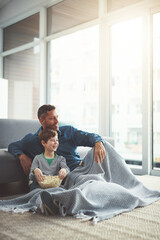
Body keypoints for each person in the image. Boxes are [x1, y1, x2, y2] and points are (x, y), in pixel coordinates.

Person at [8, 104, 106, 175]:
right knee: (89, 182)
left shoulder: (68, 131)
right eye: (52, 118)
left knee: (107, 147)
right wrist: (22, 156)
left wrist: (98, 143)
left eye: (57, 117)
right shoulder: (32, 140)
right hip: (70, 176)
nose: (57, 121)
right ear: (42, 121)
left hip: (83, 167)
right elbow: (13, 146)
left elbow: (89, 137)